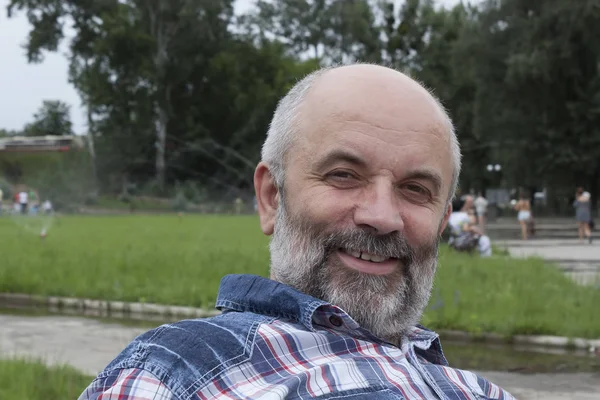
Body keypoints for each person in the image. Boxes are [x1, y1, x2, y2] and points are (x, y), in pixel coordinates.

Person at [79, 64, 513, 399]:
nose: (382, 216)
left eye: (416, 189)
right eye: (343, 175)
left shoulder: (476, 389)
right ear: (271, 197)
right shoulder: (172, 374)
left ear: (441, 224)